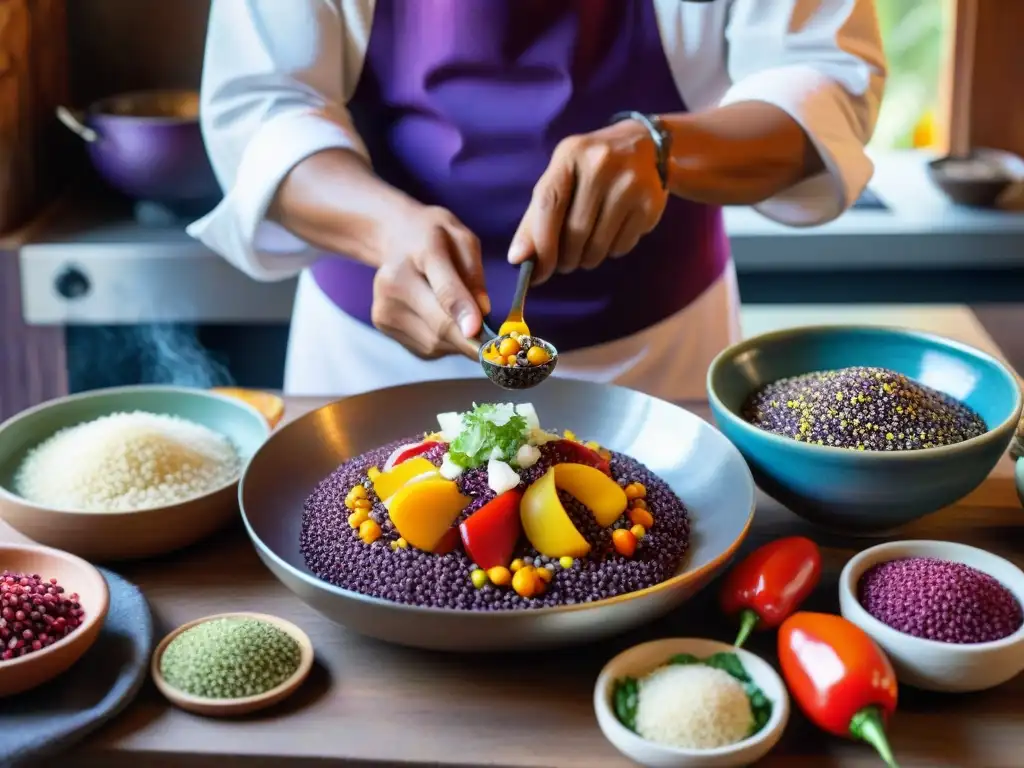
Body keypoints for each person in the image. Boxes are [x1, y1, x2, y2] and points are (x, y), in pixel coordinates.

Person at [189, 0, 886, 400]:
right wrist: (387, 232)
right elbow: (263, 107)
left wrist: (665, 147)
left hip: (657, 364)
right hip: (374, 366)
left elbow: (824, 82)